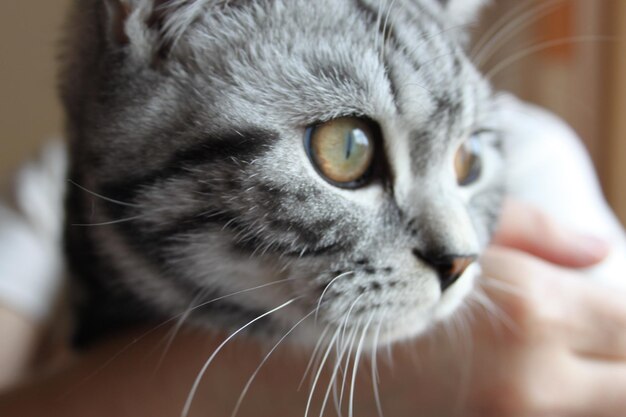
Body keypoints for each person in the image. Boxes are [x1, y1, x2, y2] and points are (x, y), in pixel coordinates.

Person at [0, 97, 624, 416]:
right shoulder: (70, 182)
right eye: (342, 150)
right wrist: (258, 377)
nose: (454, 247)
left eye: (463, 164)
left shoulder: (531, 154)